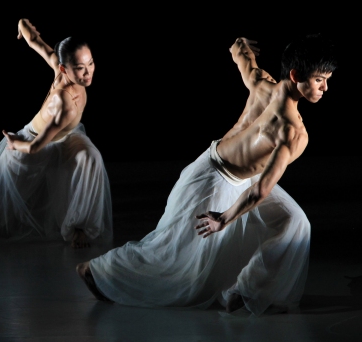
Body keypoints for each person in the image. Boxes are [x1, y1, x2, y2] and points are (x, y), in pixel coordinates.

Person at [77, 34, 337, 315]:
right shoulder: (293, 132)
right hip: (212, 179)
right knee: (171, 251)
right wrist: (222, 219)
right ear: (297, 74)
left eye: (327, 79)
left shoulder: (262, 83)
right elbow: (260, 190)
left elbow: (240, 52)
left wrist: (241, 44)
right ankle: (95, 270)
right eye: (319, 79)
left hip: (240, 175)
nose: (325, 87)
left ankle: (247, 291)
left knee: (296, 221)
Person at [0, 18, 113, 248]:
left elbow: (35, 41)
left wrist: (22, 24)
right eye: (80, 68)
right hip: (33, 142)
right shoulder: (64, 103)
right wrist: (15, 144)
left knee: (90, 157)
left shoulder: (60, 67)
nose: (88, 73)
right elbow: (36, 146)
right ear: (63, 69)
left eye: (91, 64)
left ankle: (79, 227)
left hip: (66, 137)